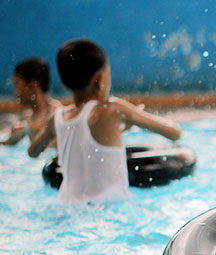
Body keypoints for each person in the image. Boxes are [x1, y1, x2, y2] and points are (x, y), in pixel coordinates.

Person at [28, 39, 182, 204]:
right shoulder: (113, 109)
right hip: (110, 208)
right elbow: (174, 132)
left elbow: (33, 152)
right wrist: (135, 116)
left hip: (67, 205)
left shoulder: (57, 118)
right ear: (101, 79)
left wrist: (120, 130)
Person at [1, 58, 61, 146]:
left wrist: (27, 129)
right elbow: (7, 145)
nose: (15, 92)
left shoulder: (58, 112)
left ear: (33, 85)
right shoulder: (26, 118)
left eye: (17, 84)